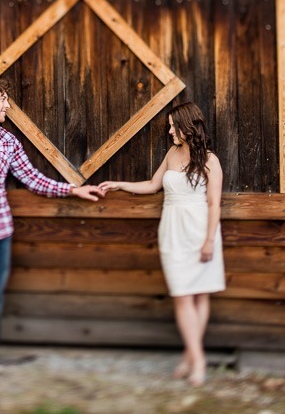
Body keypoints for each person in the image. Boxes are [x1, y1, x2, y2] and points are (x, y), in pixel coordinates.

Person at [0, 77, 103, 369]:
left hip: (1, 230)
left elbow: (31, 179)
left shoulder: (7, 141)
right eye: (3, 99)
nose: (8, 105)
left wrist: (73, 189)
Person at [98, 102, 224, 386]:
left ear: (187, 126)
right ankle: (195, 356)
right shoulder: (172, 153)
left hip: (201, 230)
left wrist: (208, 241)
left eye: (172, 126)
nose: (169, 131)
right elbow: (153, 185)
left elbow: (215, 204)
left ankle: (194, 358)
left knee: (200, 294)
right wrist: (120, 185)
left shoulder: (210, 161)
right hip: (173, 231)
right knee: (181, 294)